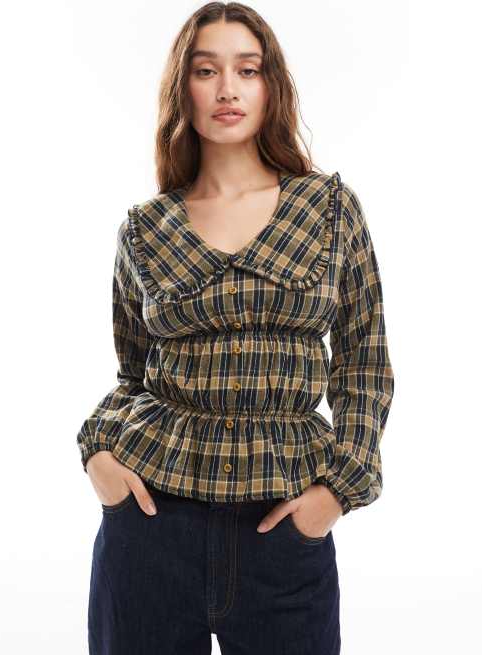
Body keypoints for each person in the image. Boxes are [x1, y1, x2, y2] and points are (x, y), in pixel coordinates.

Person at [76, 3, 395, 653]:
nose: (227, 89)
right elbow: (133, 374)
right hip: (150, 529)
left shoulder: (328, 209)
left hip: (283, 534)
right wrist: (100, 456)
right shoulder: (145, 229)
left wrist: (336, 492)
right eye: (206, 71)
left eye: (247, 70)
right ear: (183, 88)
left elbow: (363, 360)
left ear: (270, 86)